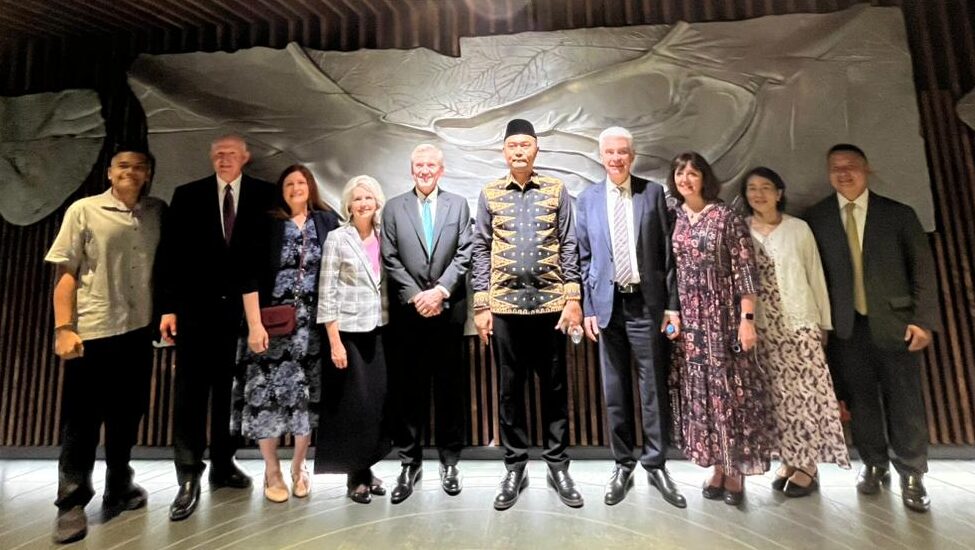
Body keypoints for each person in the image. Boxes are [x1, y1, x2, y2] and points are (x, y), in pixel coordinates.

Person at [805, 144, 940, 512]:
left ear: (868, 169)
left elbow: (923, 271)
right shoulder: (816, 218)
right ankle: (874, 465)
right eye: (836, 167)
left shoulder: (897, 214)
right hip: (847, 330)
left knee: (905, 401)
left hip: (897, 326)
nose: (843, 172)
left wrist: (924, 321)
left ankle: (912, 473)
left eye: (851, 166)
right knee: (862, 402)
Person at [45, 144, 164, 543]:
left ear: (147, 174)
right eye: (122, 166)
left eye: (139, 167)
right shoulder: (84, 210)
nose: (130, 172)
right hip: (93, 331)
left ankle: (119, 484)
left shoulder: (157, 212)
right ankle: (72, 502)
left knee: (128, 413)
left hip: (137, 329)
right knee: (81, 419)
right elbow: (66, 272)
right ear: (110, 173)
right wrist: (64, 328)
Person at [157, 134, 276, 521]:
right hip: (195, 314)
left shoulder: (264, 194)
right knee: (190, 396)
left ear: (246, 158)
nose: (223, 159)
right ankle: (188, 477)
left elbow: (267, 256)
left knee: (232, 396)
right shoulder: (187, 195)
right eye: (218, 154)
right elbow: (170, 254)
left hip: (244, 318)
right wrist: (168, 308)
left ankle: (224, 465)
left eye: (230, 154)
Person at [472, 118, 584, 510]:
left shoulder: (556, 189)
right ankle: (514, 466)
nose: (519, 151)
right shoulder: (489, 193)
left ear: (536, 149)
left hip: (551, 308)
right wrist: (482, 305)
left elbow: (569, 242)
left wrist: (573, 298)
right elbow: (480, 248)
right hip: (504, 310)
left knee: (555, 390)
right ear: (504, 151)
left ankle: (558, 466)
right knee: (508, 393)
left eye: (525, 145)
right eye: (512, 146)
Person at [575, 127, 685, 508]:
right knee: (615, 391)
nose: (616, 158)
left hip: (647, 306)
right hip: (608, 308)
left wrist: (672, 306)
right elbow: (583, 258)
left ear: (632, 156)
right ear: (601, 156)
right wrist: (588, 307)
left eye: (623, 152)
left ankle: (656, 463)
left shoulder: (652, 193)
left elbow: (668, 257)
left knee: (653, 388)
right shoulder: (586, 199)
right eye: (610, 152)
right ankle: (622, 463)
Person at [667, 151, 775, 506]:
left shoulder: (725, 215)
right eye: (680, 173)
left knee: (731, 396)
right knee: (703, 399)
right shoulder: (673, 217)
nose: (686, 179)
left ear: (704, 178)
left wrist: (747, 321)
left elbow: (746, 270)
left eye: (692, 173)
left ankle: (736, 470)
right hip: (691, 327)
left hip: (725, 320)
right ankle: (715, 466)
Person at [739, 166, 850, 498]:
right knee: (775, 400)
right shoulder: (741, 230)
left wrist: (823, 323)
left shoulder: (798, 229)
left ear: (779, 192)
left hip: (799, 325)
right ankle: (789, 459)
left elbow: (815, 275)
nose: (758, 194)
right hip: (762, 328)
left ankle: (809, 465)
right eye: (752, 188)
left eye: (766, 187)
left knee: (804, 398)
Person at [232, 165, 339, 502]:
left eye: (301, 181)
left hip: (312, 328)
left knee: (305, 399)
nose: (296, 187)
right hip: (269, 325)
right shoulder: (267, 222)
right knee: (266, 398)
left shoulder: (325, 221)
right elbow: (246, 276)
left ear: (311, 186)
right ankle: (271, 469)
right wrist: (254, 325)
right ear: (282, 189)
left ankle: (298, 466)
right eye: (289, 183)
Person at [381, 144, 472, 503]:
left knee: (450, 391)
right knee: (409, 391)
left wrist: (440, 292)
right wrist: (418, 296)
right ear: (411, 169)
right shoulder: (393, 207)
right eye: (419, 165)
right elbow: (389, 257)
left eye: (431, 165)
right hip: (409, 317)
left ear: (442, 169)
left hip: (448, 313)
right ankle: (409, 462)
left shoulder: (459, 205)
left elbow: (465, 251)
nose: (425, 170)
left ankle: (450, 462)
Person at [315, 175, 391, 504]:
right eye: (357, 198)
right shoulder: (337, 238)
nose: (363, 203)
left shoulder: (383, 237)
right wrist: (333, 340)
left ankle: (368, 468)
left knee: (374, 405)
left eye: (368, 198)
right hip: (347, 334)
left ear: (377, 203)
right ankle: (354, 476)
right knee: (352, 406)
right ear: (348, 204)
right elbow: (326, 289)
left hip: (379, 330)